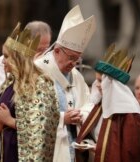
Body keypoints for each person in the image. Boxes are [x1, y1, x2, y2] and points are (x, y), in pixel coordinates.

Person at [0, 23, 59, 162]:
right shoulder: (9, 83)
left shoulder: (40, 84)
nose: (3, 61)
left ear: (18, 58)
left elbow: (43, 129)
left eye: (6, 56)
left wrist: (9, 121)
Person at [34, 5, 96, 162]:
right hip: (46, 148)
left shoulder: (75, 75)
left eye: (77, 59)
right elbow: (28, 112)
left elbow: (89, 103)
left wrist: (81, 114)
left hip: (74, 146)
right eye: (71, 57)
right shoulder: (37, 71)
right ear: (56, 51)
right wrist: (62, 118)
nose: (74, 63)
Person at [75, 44, 140, 162]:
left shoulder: (129, 113)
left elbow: (131, 152)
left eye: (101, 81)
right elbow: (91, 134)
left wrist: (101, 149)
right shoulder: (100, 106)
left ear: (112, 82)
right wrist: (87, 143)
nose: (97, 85)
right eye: (97, 80)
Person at [0, 21, 52, 99]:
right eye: (39, 49)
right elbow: (5, 94)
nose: (44, 54)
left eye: (47, 49)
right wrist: (33, 66)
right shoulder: (5, 61)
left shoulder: (49, 60)